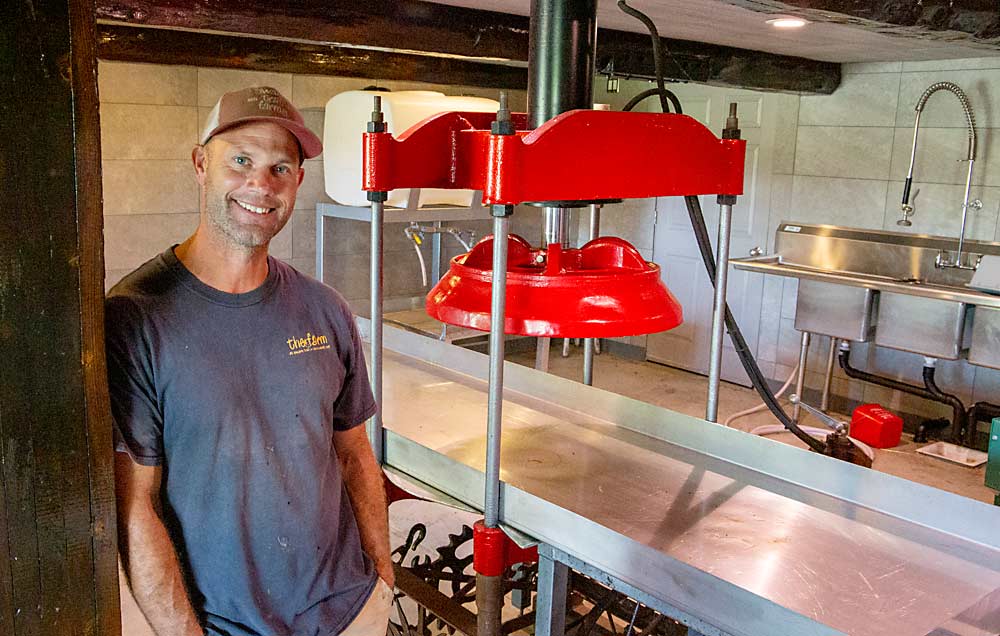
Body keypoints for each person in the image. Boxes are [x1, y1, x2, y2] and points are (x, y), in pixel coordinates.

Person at [106, 86, 393, 636]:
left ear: (298, 183)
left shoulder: (324, 308)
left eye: (280, 168)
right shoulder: (134, 317)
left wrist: (381, 576)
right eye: (241, 160)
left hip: (347, 611)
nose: (260, 185)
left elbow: (355, 453)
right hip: (224, 625)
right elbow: (134, 506)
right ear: (200, 164)